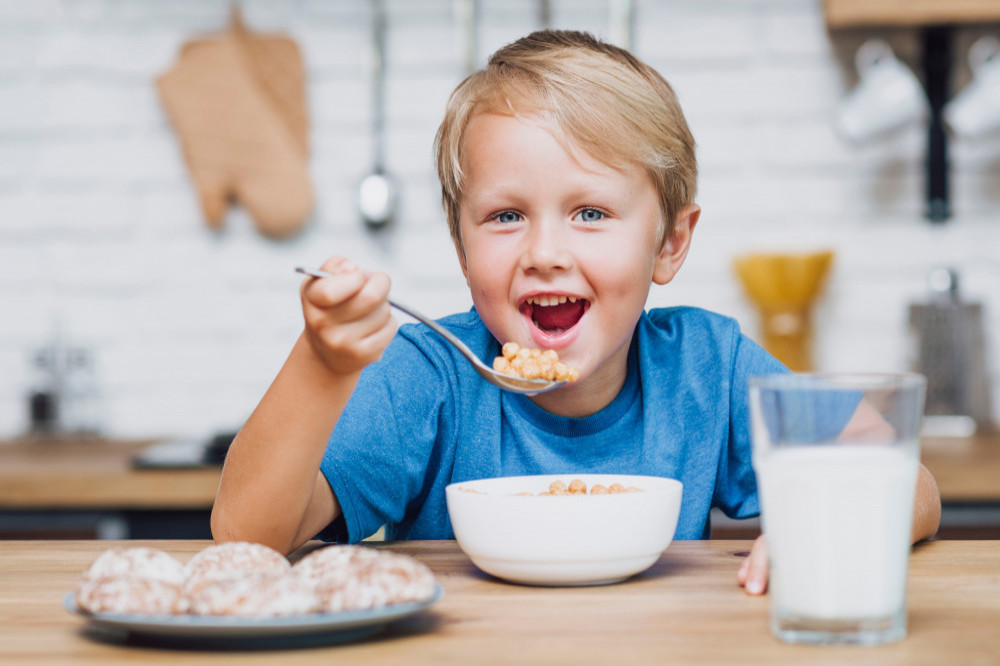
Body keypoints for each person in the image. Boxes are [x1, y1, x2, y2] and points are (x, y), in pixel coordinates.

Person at [211, 30, 941, 596]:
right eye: (504, 217)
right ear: (461, 247)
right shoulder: (430, 373)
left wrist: (832, 521)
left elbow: (907, 480)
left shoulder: (706, 367)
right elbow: (246, 533)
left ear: (670, 242)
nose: (545, 252)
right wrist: (323, 363)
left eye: (590, 212)